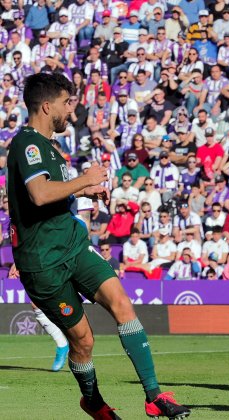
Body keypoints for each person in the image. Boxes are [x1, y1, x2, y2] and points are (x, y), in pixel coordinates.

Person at [7, 73, 190, 418]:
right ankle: (92, 401)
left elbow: (55, 193)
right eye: (67, 104)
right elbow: (40, 194)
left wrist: (84, 190)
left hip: (74, 247)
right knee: (83, 341)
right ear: (47, 106)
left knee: (122, 304)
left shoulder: (49, 148)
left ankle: (154, 395)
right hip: (43, 263)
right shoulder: (26, 144)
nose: (71, 112)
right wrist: (86, 179)